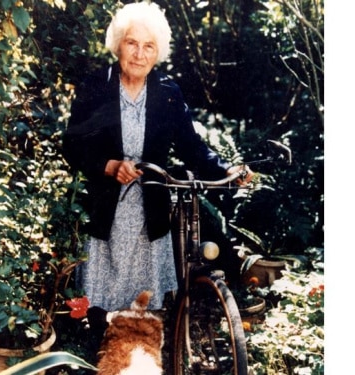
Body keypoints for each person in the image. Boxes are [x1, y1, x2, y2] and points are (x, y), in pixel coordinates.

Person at [63, 1, 252, 324]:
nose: (139, 54)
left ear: (158, 51)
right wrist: (109, 166)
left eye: (148, 46)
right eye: (132, 43)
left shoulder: (167, 93)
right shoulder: (97, 87)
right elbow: (72, 144)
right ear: (118, 45)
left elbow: (191, 146)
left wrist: (225, 170)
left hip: (149, 208)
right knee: (101, 312)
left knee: (146, 311)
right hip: (106, 208)